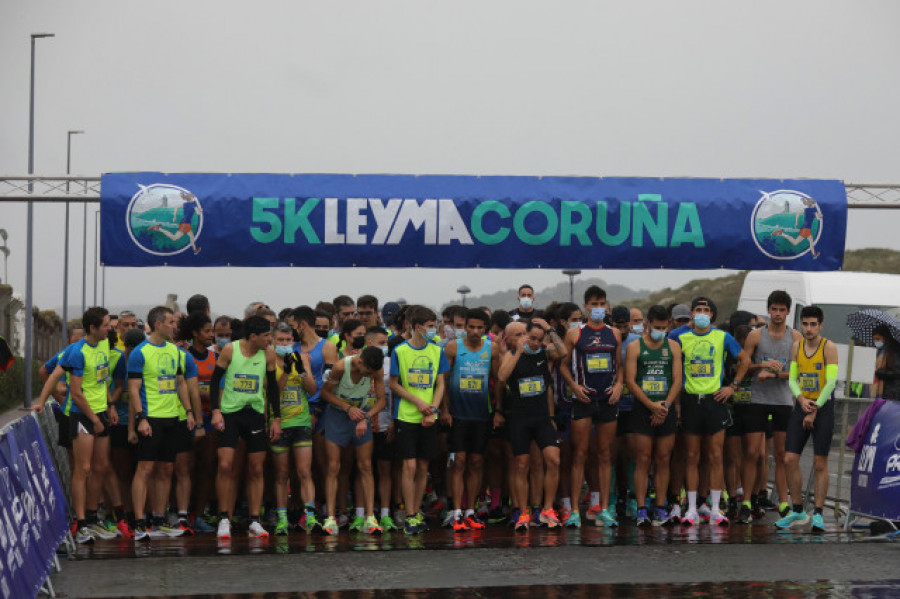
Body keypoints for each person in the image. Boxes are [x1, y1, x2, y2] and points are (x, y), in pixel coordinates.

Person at [670, 297, 750, 526]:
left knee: (715, 456)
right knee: (692, 456)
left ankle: (715, 508)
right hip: (690, 400)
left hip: (715, 401)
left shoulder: (722, 336)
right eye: (698, 309)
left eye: (707, 310)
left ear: (713, 315)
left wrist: (732, 386)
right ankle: (692, 508)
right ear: (692, 313)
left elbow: (744, 359)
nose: (702, 313)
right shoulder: (678, 336)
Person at [209, 315, 281, 539]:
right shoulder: (231, 350)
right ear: (253, 336)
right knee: (225, 465)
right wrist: (215, 410)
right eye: (267, 335)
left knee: (257, 468)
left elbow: (273, 390)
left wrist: (276, 418)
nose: (270, 339)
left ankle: (254, 520)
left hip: (255, 415)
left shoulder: (268, 354)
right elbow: (214, 380)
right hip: (230, 414)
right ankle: (223, 518)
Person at [128, 306, 196, 541]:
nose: (175, 326)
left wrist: (188, 412)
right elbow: (134, 390)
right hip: (151, 418)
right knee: (145, 469)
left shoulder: (176, 352)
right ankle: (139, 523)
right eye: (170, 322)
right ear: (158, 324)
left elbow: (181, 383)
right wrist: (140, 418)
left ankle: (159, 519)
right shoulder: (140, 352)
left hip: (172, 419)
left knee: (167, 469)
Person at [51, 308, 118, 543]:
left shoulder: (105, 345)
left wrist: (109, 407)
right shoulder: (77, 352)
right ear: (93, 328)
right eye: (107, 325)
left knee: (101, 467)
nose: (111, 328)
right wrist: (96, 419)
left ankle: (92, 517)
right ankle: (80, 525)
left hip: (100, 411)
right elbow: (77, 394)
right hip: (82, 414)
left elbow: (103, 381)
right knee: (84, 468)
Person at [559, 285, 623, 528]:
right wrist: (574, 387)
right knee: (580, 454)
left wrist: (619, 385)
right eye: (594, 305)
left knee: (605, 455)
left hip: (607, 400)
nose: (598, 309)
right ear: (586, 307)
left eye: (602, 304)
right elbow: (563, 365)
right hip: (583, 400)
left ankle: (604, 509)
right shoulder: (575, 333)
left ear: (607, 306)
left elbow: (620, 366)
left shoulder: (614, 333)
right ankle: (574, 510)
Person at [738, 291, 801, 523]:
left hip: (784, 400)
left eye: (781, 310)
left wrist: (776, 374)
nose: (777, 314)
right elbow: (744, 366)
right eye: (773, 309)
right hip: (758, 400)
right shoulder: (755, 335)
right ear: (768, 310)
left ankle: (784, 503)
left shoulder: (796, 337)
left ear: (788, 312)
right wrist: (761, 366)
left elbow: (797, 372)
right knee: (753, 453)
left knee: (783, 455)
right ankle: (745, 501)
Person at [497, 320, 565, 531]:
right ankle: (523, 513)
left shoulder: (545, 353)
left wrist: (550, 330)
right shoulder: (512, 354)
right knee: (521, 465)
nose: (534, 343)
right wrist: (519, 351)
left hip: (542, 418)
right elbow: (501, 376)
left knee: (553, 460)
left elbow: (562, 352)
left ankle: (547, 509)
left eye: (538, 339)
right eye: (531, 338)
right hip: (520, 419)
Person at [775, 306, 838, 532]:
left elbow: (831, 383)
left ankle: (819, 513)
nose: (809, 329)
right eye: (805, 324)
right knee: (789, 458)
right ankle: (798, 509)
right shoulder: (796, 346)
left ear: (821, 325)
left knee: (819, 463)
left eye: (813, 324)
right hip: (802, 405)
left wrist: (815, 408)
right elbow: (793, 379)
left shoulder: (828, 348)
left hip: (823, 407)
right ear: (801, 324)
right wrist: (801, 400)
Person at [389, 306, 450, 535]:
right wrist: (417, 402)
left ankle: (416, 511)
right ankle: (410, 514)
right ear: (418, 327)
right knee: (410, 465)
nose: (434, 330)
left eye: (435, 326)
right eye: (431, 326)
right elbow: (394, 383)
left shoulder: (436, 351)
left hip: (429, 416)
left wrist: (433, 408)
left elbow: (441, 383)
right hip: (407, 414)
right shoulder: (400, 351)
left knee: (423, 466)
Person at [625, 305, 683, 527]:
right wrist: (651, 406)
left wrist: (665, 406)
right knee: (643, 459)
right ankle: (641, 508)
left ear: (668, 324)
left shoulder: (674, 347)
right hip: (643, 408)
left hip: (665, 408)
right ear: (647, 324)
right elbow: (630, 381)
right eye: (656, 327)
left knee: (663, 459)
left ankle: (660, 507)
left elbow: (677, 379)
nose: (660, 331)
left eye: (664, 327)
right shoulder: (634, 347)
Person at [442, 309, 499, 531]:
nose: (475, 332)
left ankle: (470, 511)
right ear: (465, 327)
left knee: (476, 463)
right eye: (471, 327)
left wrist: (499, 410)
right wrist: (445, 410)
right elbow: (443, 382)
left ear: (485, 329)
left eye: (480, 328)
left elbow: (498, 381)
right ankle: (456, 512)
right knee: (458, 463)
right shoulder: (453, 347)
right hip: (457, 415)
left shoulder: (491, 349)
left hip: (481, 415)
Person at [320, 347, 387, 535]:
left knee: (365, 465)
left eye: (374, 374)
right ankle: (330, 518)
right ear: (359, 362)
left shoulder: (377, 370)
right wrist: (347, 408)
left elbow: (381, 401)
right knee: (333, 465)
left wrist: (366, 418)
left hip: (362, 414)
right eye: (368, 372)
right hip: (339, 413)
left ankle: (370, 517)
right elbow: (325, 394)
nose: (371, 376)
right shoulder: (341, 368)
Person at [270, 323, 318, 535]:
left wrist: (301, 370)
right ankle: (281, 517)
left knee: (304, 471)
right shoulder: (270, 361)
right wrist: (286, 371)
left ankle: (310, 515)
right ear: (273, 341)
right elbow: (274, 391)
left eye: (288, 340)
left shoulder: (300, 358)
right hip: (279, 422)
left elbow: (312, 389)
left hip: (301, 421)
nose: (284, 344)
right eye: (280, 340)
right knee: (281, 473)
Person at [873, 324, 900, 400]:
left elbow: (897, 373)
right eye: (874, 339)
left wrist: (878, 372)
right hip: (887, 392)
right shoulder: (879, 352)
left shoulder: (894, 352)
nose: (875, 341)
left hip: (893, 394)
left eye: (878, 338)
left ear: (885, 338)